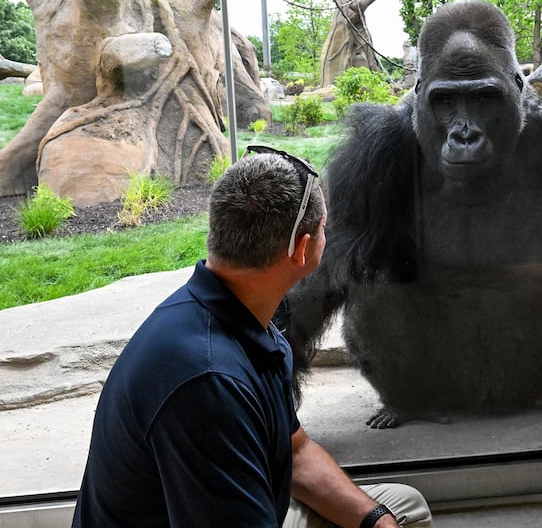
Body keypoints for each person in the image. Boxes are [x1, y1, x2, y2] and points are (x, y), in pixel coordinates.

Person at [72, 150, 432, 527]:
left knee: (402, 508)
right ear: (302, 249)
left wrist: (374, 518)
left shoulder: (246, 324)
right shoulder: (209, 380)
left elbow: (296, 452)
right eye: (326, 226)